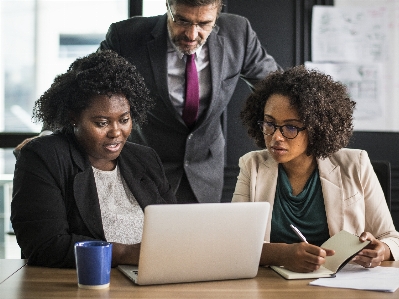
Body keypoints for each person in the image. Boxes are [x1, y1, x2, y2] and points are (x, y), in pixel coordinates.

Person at [98, 0, 281, 203]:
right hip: (143, 168)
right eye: (182, 20)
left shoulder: (238, 33)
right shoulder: (125, 36)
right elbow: (89, 91)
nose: (192, 35)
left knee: (201, 234)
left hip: (205, 170)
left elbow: (278, 88)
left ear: (217, 14)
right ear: (168, 5)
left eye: (204, 24)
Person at [11, 50, 177, 268]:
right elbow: (44, 244)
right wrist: (124, 253)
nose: (116, 132)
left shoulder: (144, 158)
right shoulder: (44, 157)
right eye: (101, 123)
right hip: (80, 283)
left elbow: (175, 228)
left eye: (124, 119)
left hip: (150, 277)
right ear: (73, 118)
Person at [232, 65, 399, 273]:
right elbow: (234, 244)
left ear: (316, 128)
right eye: (269, 124)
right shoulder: (252, 166)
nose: (276, 136)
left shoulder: (356, 164)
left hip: (342, 286)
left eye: (291, 127)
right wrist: (282, 254)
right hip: (273, 286)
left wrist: (381, 251)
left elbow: (391, 239)